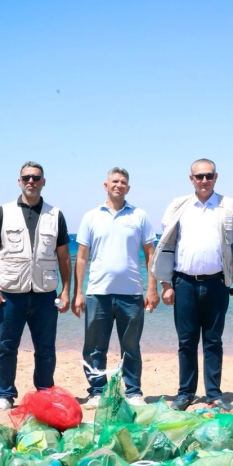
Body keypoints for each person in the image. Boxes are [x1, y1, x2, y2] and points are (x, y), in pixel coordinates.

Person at [151, 158, 233, 411]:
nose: (204, 180)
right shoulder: (178, 206)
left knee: (213, 340)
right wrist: (166, 283)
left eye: (208, 176)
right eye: (199, 176)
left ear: (216, 177)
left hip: (217, 283)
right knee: (186, 341)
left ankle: (214, 394)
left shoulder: (229, 207)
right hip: (183, 283)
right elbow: (166, 246)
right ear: (191, 179)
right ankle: (185, 393)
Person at [0, 161, 72, 414]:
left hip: (45, 295)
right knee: (5, 348)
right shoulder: (4, 212)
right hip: (11, 294)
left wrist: (66, 290)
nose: (31, 181)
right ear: (19, 181)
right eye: (26, 177)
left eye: (35, 177)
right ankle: (5, 395)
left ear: (43, 182)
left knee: (46, 349)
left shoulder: (55, 215)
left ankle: (44, 392)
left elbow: (64, 257)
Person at [72, 167, 159, 409]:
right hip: (97, 292)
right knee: (94, 347)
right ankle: (97, 392)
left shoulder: (139, 215)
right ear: (106, 185)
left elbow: (150, 254)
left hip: (131, 293)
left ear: (128, 188)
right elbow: (82, 257)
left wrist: (152, 289)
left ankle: (133, 392)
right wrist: (78, 293)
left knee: (130, 347)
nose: (118, 185)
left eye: (123, 182)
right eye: (114, 181)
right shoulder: (91, 216)